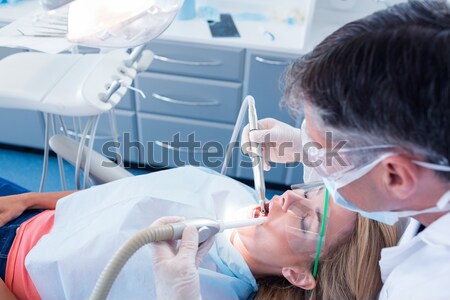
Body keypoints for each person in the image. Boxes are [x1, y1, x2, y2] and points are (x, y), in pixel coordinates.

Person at [238, 0, 449, 299]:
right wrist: (305, 147)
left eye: (322, 153)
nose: (288, 196)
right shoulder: (431, 180)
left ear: (397, 177)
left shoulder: (429, 289)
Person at [0, 167, 397, 299]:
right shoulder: (233, 194)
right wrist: (30, 199)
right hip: (31, 211)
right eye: (307, 192)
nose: (285, 199)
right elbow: (120, 194)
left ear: (298, 274)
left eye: (307, 220)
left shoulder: (193, 291)